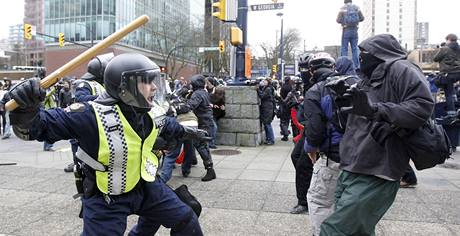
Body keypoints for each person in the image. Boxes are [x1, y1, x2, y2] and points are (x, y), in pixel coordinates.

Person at [7, 53, 206, 235]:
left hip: (144, 185)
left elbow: (166, 124)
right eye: (145, 81)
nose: (154, 87)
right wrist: (25, 110)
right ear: (125, 87)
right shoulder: (89, 115)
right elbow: (36, 127)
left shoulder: (148, 110)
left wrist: (186, 132)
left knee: (186, 218)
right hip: (106, 197)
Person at [320, 34, 434, 235]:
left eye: (365, 52)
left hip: (378, 168)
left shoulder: (402, 69)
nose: (361, 56)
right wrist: (342, 105)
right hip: (353, 165)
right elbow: (356, 119)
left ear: (381, 53)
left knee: (335, 230)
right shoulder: (366, 78)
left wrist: (376, 110)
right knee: (357, 230)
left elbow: (422, 106)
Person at [303, 53, 358, 235]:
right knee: (349, 204)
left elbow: (315, 130)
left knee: (319, 201)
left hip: (334, 157)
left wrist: (310, 149)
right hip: (363, 156)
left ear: (312, 71)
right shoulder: (355, 83)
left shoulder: (316, 91)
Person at [64, 53, 113, 173]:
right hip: (84, 123)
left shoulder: (102, 85)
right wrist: (107, 98)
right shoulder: (84, 83)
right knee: (80, 152)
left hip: (99, 124)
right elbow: (81, 98)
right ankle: (79, 167)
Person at [175, 74, 217, 182]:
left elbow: (189, 106)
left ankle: (210, 170)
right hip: (205, 122)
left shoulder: (197, 94)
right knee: (194, 142)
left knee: (201, 145)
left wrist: (176, 108)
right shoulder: (203, 92)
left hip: (203, 123)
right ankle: (193, 160)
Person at [433, 33, 460, 118]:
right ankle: (456, 103)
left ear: (449, 39)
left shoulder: (445, 49)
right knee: (452, 91)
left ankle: (451, 114)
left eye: (446, 40)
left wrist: (440, 49)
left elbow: (435, 58)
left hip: (448, 74)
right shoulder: (459, 49)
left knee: (448, 93)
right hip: (458, 73)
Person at [336, 0, 364, 71]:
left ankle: (344, 66)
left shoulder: (343, 8)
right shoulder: (356, 7)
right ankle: (356, 66)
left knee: (344, 48)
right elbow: (362, 18)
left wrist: (344, 21)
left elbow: (338, 20)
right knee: (355, 48)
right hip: (355, 30)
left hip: (346, 29)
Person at [258, 78, 276, 145]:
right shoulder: (267, 88)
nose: (263, 82)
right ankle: (269, 139)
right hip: (267, 108)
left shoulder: (268, 89)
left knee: (267, 124)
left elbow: (262, 96)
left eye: (265, 81)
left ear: (268, 82)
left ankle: (271, 139)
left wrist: (257, 90)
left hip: (267, 108)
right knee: (266, 124)